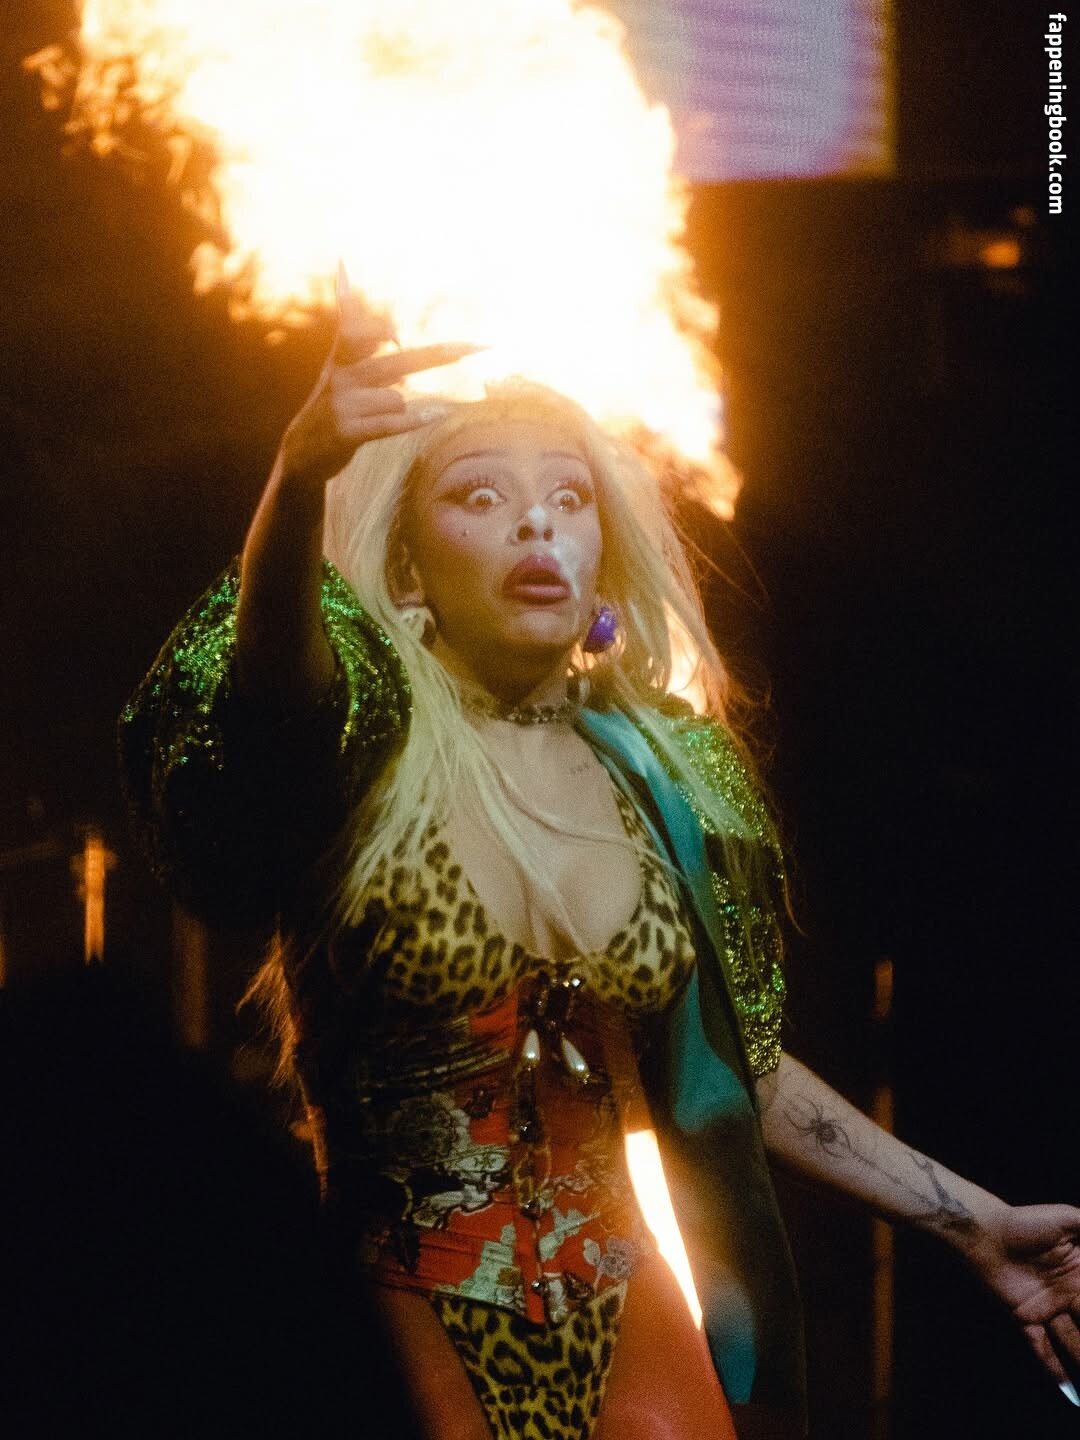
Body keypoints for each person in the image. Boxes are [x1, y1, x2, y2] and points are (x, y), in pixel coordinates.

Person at [120, 271, 1080, 1440]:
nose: (536, 523)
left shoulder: (666, 780)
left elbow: (743, 1068)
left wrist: (975, 1223)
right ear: (410, 570)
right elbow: (270, 686)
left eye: (568, 497)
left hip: (634, 1323)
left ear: (601, 551)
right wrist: (299, 476)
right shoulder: (359, 746)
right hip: (402, 1317)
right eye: (480, 494)